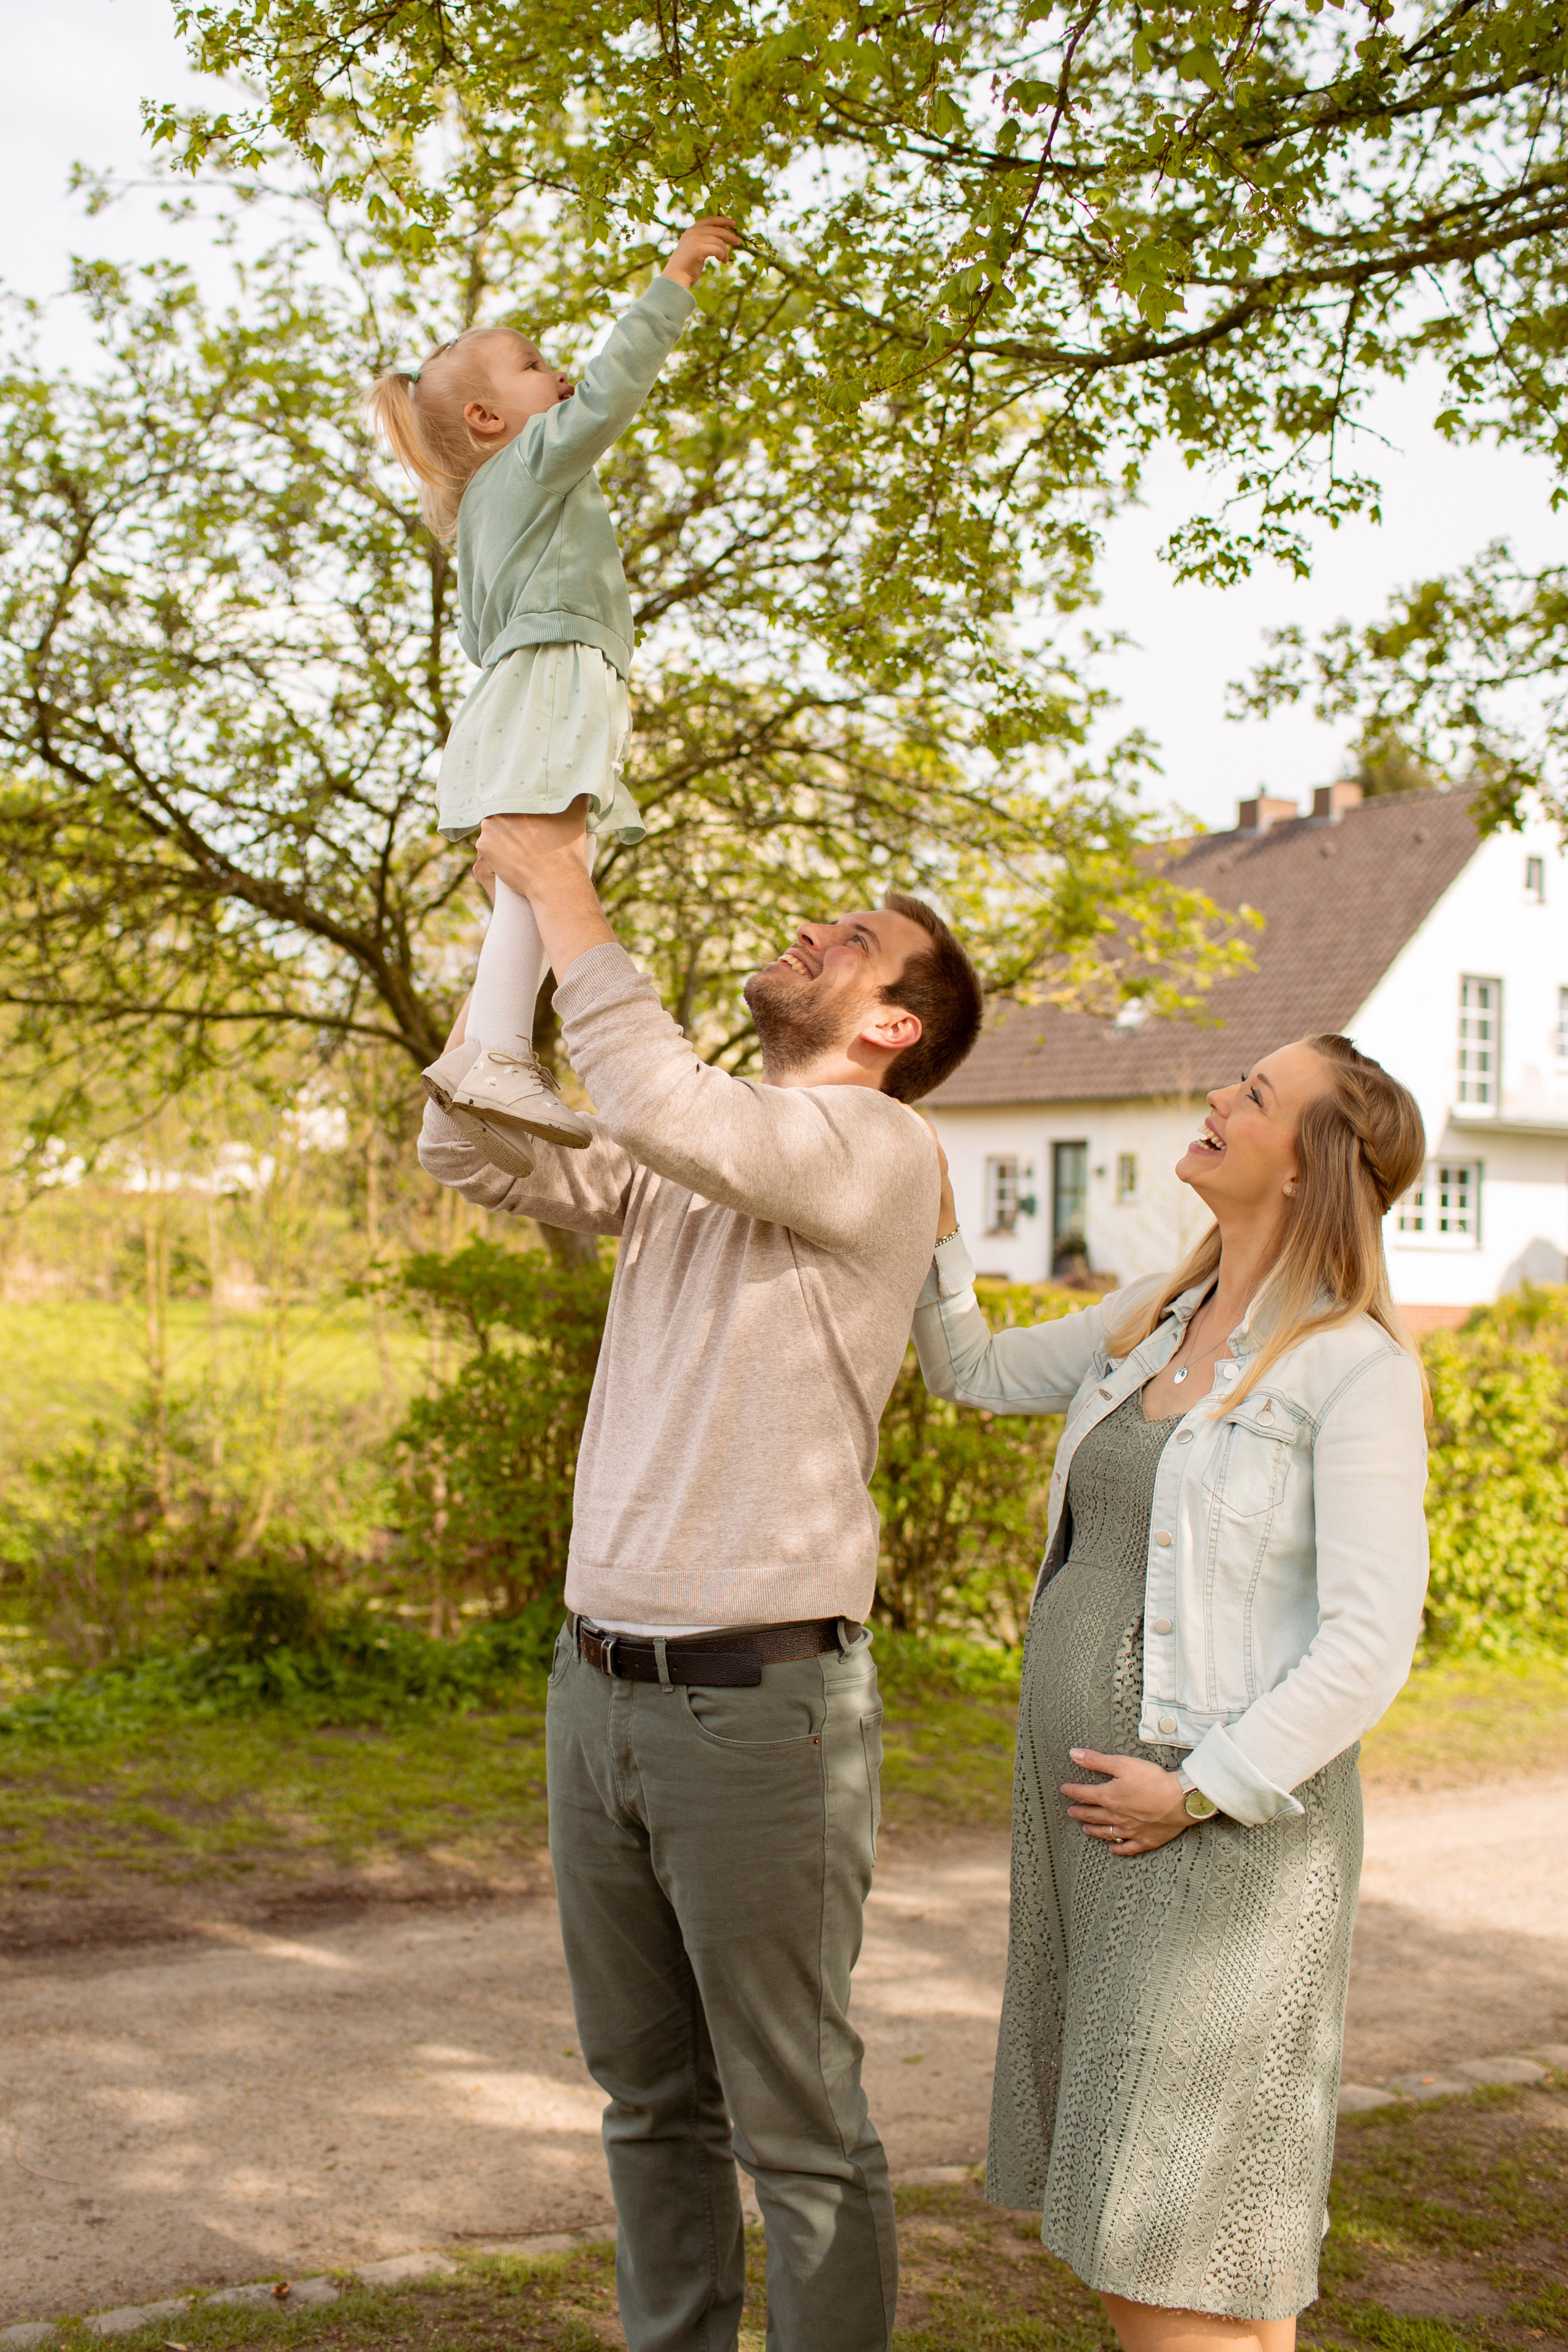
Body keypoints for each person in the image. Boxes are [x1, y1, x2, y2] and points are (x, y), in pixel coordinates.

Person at [418, 802, 984, 2352]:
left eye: (852, 940)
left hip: (758, 1711)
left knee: (795, 2124)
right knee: (647, 2103)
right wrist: (515, 922)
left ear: (890, 1024)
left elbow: (665, 1098)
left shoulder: (881, 1146)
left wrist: (565, 881)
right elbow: (465, 1139)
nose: (812, 929)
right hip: (596, 1687)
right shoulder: (695, 1151)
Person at [913, 1035, 1431, 2352]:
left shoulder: (1352, 1369)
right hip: (1097, 1836)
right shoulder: (1155, 1314)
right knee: (1218, 2255)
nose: (1215, 1098)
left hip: (1212, 1848)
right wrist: (934, 1225)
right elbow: (970, 1369)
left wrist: (1197, 1790)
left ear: (1308, 1166)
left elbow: (1370, 1641)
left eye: (1253, 1095)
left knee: (1159, 2233)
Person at [366, 213, 739, 1167]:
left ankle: (483, 1055)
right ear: (488, 419)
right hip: (555, 677)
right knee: (553, 863)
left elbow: (478, 638)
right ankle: (498, 1053)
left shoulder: (479, 519)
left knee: (541, 876)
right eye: (533, 365)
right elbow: (612, 393)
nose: (558, 370)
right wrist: (674, 281)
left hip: (514, 692)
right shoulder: (529, 465)